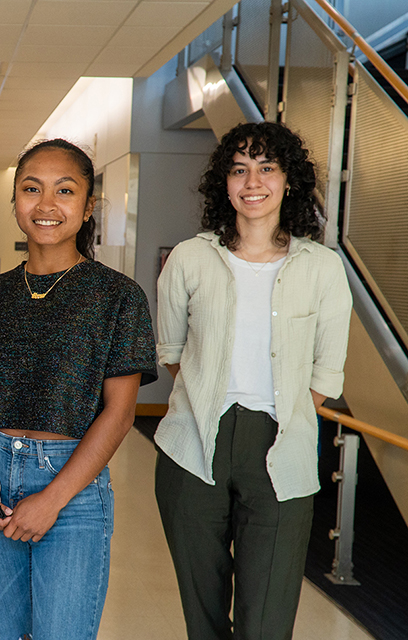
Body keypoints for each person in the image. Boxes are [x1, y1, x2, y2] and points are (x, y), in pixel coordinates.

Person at [0, 139, 157, 640]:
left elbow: (120, 412)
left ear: (87, 208)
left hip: (73, 485)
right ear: (16, 202)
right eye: (31, 189)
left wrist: (54, 498)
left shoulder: (117, 295)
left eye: (65, 190)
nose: (46, 204)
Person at [154, 122, 353, 640]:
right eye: (239, 169)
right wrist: (214, 395)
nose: (252, 181)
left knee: (265, 621)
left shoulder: (322, 268)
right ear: (224, 182)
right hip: (194, 445)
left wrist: (273, 408)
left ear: (289, 181)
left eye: (267, 168)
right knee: (203, 618)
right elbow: (173, 353)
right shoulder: (190, 258)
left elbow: (325, 374)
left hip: (280, 449)